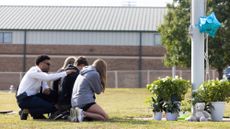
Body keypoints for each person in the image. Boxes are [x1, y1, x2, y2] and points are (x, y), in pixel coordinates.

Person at [16, 54, 76, 120]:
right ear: (41, 63)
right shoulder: (34, 71)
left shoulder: (40, 73)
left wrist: (47, 90)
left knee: (52, 95)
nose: (49, 66)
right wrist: (66, 73)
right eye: (48, 64)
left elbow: (45, 86)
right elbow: (47, 78)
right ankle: (27, 111)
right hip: (25, 99)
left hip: (31, 97)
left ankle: (33, 113)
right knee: (51, 108)